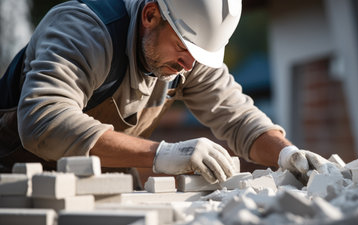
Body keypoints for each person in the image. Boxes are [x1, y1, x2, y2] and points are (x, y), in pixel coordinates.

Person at [0, 0, 338, 185]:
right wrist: (163, 154)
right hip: (15, 189)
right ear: (150, 15)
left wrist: (286, 154)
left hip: (94, 189)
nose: (189, 65)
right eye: (184, 49)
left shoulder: (187, 54)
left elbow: (237, 117)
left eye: (199, 55)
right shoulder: (83, 30)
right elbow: (43, 121)